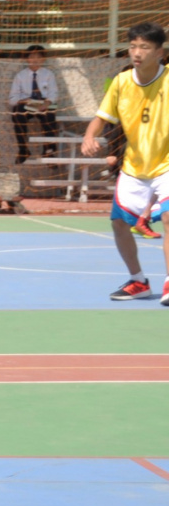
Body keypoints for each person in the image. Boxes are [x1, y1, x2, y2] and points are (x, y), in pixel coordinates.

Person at [83, 22, 169, 301]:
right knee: (119, 223)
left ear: (160, 53)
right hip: (134, 167)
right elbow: (101, 118)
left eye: (145, 47)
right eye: (133, 46)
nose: (137, 52)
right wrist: (89, 136)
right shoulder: (121, 82)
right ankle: (138, 281)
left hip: (166, 165)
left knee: (168, 217)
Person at [9, 44, 61, 165]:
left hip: (44, 102)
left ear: (43, 59)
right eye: (32, 57)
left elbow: (54, 94)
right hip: (27, 103)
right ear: (27, 59)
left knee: (50, 115)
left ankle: (49, 151)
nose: (35, 60)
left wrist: (47, 103)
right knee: (17, 113)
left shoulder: (48, 74)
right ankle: (23, 150)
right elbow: (12, 99)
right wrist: (25, 101)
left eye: (38, 57)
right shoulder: (20, 76)